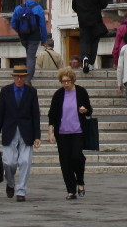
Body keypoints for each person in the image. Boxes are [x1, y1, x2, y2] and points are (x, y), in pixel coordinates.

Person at [0, 65, 40, 202]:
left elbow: (36, 114)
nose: (19, 79)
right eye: (17, 77)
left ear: (25, 77)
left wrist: (37, 136)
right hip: (9, 129)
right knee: (9, 162)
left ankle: (21, 191)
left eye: (22, 77)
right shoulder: (5, 91)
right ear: (13, 77)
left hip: (26, 130)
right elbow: (0, 113)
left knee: (25, 161)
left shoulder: (31, 92)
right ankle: (11, 183)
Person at [47, 67, 93, 200]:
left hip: (78, 130)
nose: (66, 84)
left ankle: (80, 181)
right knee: (65, 162)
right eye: (63, 81)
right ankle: (71, 190)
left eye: (68, 81)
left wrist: (85, 110)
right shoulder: (58, 94)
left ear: (73, 80)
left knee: (76, 156)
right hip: (62, 132)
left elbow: (89, 110)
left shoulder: (81, 91)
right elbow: (52, 114)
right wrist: (50, 132)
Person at [71, 0, 110, 74]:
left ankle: (85, 57)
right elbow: (104, 3)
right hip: (95, 20)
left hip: (83, 21)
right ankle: (91, 63)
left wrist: (81, 12)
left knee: (84, 41)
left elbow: (74, 6)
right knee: (94, 41)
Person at [9, 0, 48, 80]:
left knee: (29, 54)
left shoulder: (18, 8)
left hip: (23, 36)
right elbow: (42, 25)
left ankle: (26, 76)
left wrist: (20, 32)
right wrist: (44, 39)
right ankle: (28, 79)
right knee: (31, 57)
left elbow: (13, 23)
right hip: (34, 36)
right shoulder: (38, 8)